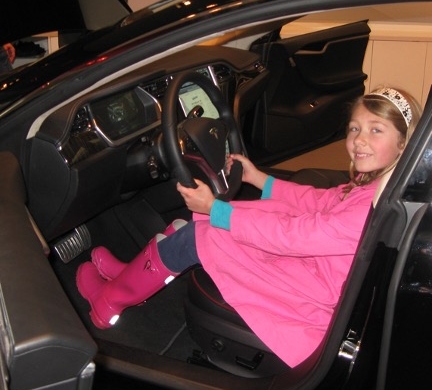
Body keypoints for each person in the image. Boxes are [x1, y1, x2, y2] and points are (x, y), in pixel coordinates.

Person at [77, 87, 422, 368]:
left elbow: (294, 236)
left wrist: (216, 210)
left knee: (201, 233)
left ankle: (108, 302)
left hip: (311, 287)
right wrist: (260, 179)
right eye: (354, 128)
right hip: (312, 267)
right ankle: (131, 275)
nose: (359, 139)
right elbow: (317, 201)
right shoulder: (371, 185)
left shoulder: (370, 205)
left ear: (404, 144)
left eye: (376, 130)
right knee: (200, 225)